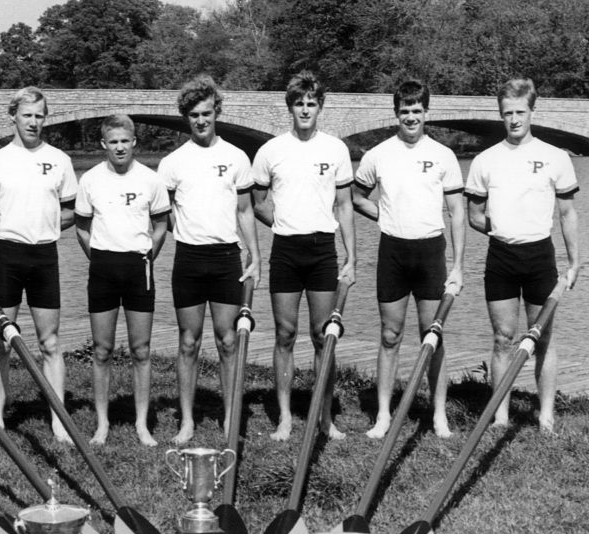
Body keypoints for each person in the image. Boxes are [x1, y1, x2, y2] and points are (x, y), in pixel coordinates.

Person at [466, 77, 579, 434]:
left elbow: (567, 214)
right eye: (507, 113)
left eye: (520, 112)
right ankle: (499, 414)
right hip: (500, 256)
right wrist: (501, 228)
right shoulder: (485, 160)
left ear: (532, 110)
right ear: (500, 115)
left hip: (540, 257)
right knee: (503, 337)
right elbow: (472, 214)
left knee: (543, 337)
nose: (514, 119)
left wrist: (574, 263)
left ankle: (546, 416)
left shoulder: (554, 157)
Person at [353, 80, 464, 440]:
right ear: (396, 113)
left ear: (426, 113)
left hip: (431, 252)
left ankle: (438, 415)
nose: (411, 117)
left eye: (417, 110)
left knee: (432, 336)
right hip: (393, 253)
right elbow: (356, 197)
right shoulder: (377, 154)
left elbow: (457, 213)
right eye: (405, 111)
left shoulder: (444, 155)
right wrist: (383, 216)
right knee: (389, 335)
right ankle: (383, 415)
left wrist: (459, 265)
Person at [0, 86, 77, 444]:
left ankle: (58, 421)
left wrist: (42, 223)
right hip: (8, 256)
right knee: (0, 339)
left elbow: (70, 210)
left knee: (50, 341)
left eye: (39, 116)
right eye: (27, 115)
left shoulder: (59, 159)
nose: (33, 122)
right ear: (13, 115)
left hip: (44, 256)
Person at [250, 70, 356, 441]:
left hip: (322, 249)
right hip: (286, 250)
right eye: (299, 103)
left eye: (312, 103)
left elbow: (344, 206)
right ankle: (284, 417)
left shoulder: (336, 149)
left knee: (321, 334)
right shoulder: (271, 151)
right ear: (290, 107)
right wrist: (284, 222)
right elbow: (259, 203)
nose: (306, 109)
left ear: (320, 106)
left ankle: (324, 416)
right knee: (284, 333)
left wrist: (351, 256)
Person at [157, 75, 261, 444]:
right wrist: (186, 230)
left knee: (227, 340)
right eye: (194, 116)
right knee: (188, 342)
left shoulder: (235, 157)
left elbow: (246, 211)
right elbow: (162, 212)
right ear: (186, 118)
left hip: (226, 259)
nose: (201, 121)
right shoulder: (172, 162)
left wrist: (255, 256)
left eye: (206, 113)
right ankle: (187, 421)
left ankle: (231, 415)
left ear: (217, 111)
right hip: (188, 259)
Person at [74, 114, 170, 446]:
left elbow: (161, 225)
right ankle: (102, 424)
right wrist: (99, 256)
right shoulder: (90, 180)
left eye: (124, 141)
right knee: (102, 350)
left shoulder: (150, 180)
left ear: (134, 143)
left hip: (138, 267)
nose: (119, 147)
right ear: (104, 145)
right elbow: (81, 228)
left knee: (141, 350)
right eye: (112, 141)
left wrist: (147, 255)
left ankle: (142, 424)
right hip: (102, 266)